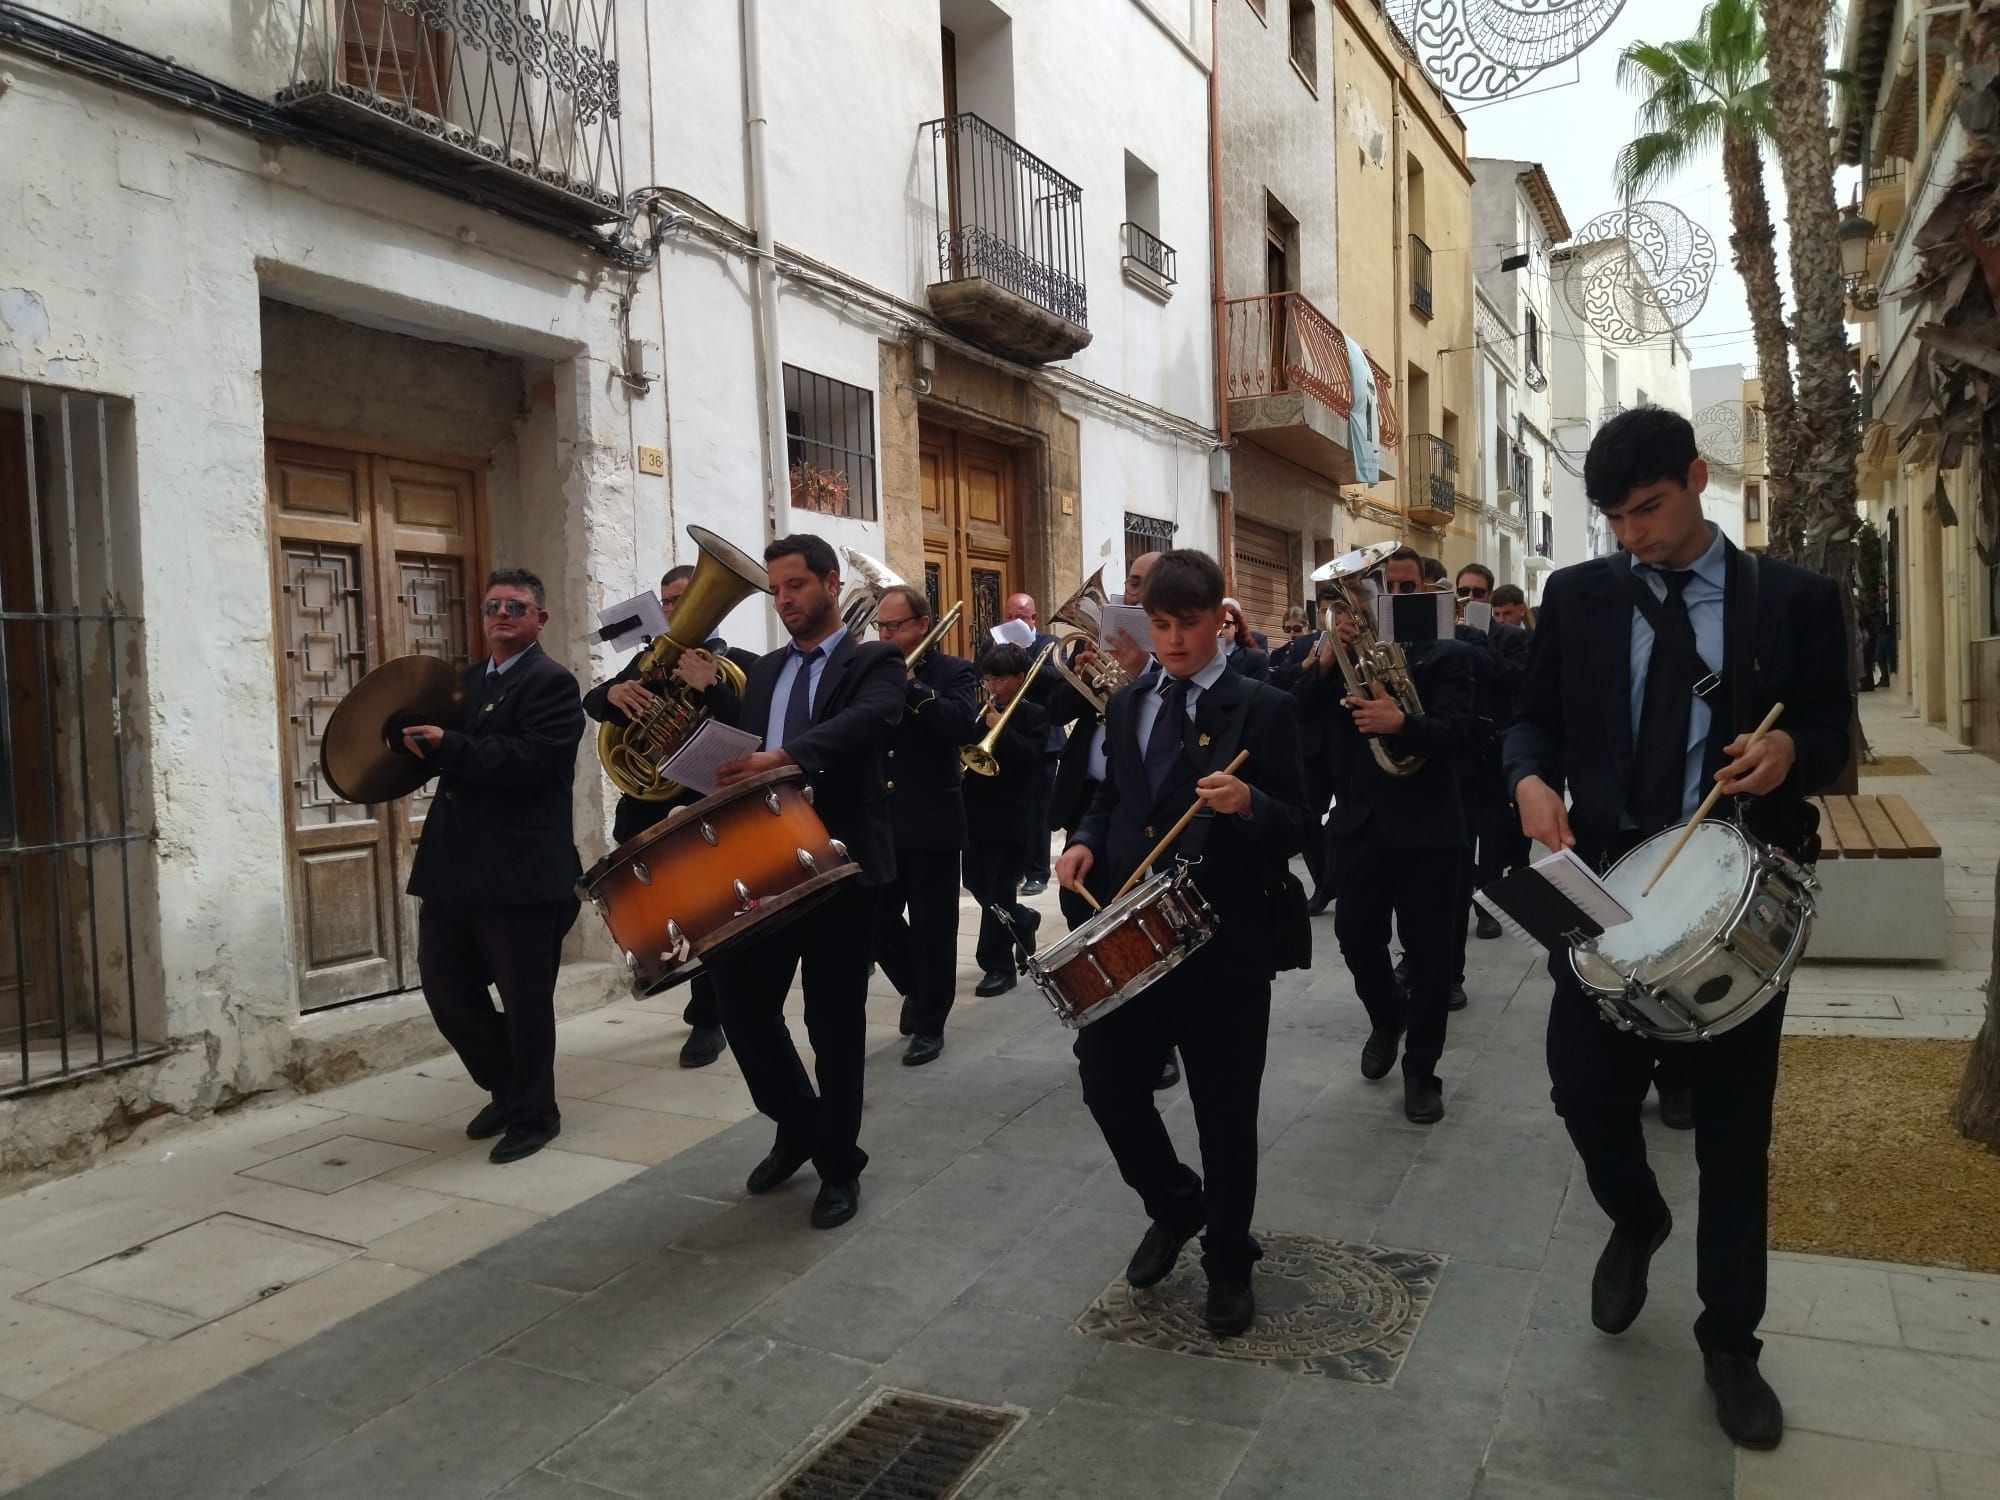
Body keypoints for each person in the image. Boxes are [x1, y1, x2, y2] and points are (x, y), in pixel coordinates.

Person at [1504, 406, 1851, 1451]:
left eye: (1647, 508)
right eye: (1612, 517)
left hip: (1733, 891)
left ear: (1696, 479)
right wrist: (1525, 777)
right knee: (1579, 1088)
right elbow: (1530, 718)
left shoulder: (1789, 599)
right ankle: (1635, 1217)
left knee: (1735, 1134)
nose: (1632, 535)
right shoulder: (1574, 597)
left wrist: (1789, 758)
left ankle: (1729, 1345)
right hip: (1604, 884)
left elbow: (1831, 734)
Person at [1054, 548, 1308, 1336]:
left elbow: (1302, 819)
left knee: (1225, 1111)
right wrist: (1086, 839)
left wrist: (1248, 803)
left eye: (1187, 625)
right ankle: (1176, 1205)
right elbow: (1111, 792)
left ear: (1219, 619)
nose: (1171, 640)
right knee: (1107, 1083)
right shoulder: (1127, 702)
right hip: (1134, 930)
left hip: (1224, 942)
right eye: (1159, 625)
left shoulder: (1262, 707)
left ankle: (1230, 1260)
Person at [706, 534, 905, 1230]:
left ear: (827, 583)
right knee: (741, 1007)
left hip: (843, 869)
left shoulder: (875, 658)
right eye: (777, 589)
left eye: (795, 585)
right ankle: (800, 1123)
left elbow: (867, 723)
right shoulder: (760, 673)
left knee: (834, 1023)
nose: (784, 599)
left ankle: (838, 1164)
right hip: (765, 864)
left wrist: (782, 759)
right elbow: (737, 750)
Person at [402, 568, 586, 1165]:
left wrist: (448, 746)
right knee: (446, 989)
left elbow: (533, 759)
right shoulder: (463, 683)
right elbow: (439, 754)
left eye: (516, 606)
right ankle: (509, 1088)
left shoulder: (554, 683)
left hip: (522, 871)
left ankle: (536, 1113)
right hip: (454, 866)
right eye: (492, 606)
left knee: (525, 999)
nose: (501, 614)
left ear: (539, 619)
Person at [1297, 549, 1476, 1124]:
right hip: (1360, 824)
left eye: (1406, 586)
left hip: (1429, 826)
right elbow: (1295, 713)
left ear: (1426, 589)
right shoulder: (1340, 653)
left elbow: (1462, 733)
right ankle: (1386, 1017)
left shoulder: (1451, 654)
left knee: (1428, 956)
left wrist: (1403, 724)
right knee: (1354, 937)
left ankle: (1422, 1070)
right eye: (1385, 588)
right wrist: (1327, 656)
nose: (1395, 596)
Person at [582, 564, 751, 1068]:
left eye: (686, 599)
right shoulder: (647, 664)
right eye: (669, 602)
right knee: (664, 911)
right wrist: (610, 694)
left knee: (711, 912)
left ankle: (708, 1017)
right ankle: (675, 980)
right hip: (648, 806)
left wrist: (711, 688)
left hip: (708, 810)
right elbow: (594, 703)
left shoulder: (740, 663)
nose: (676, 609)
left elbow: (752, 727)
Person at [1045, 549, 1181, 1092]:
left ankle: (1160, 1038)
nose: (1134, 590)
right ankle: (1101, 1017)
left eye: (1147, 582)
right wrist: (1082, 677)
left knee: (1141, 924)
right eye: (1131, 581)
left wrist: (1135, 677)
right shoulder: (1100, 644)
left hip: (1143, 810)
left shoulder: (1173, 651)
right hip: (1090, 803)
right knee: (1081, 910)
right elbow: (1053, 715)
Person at [869, 584, 979, 1066]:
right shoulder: (869, 671)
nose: (885, 634)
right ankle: (918, 988)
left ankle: (930, 1024)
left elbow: (963, 724)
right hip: (880, 819)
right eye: (881, 626)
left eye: (894, 625)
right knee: (874, 920)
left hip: (932, 820)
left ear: (922, 625)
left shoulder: (955, 671)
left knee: (935, 928)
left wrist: (912, 686)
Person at [962, 642, 1049, 997]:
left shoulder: (1034, 714)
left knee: (998, 887)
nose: (992, 687)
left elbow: (1031, 759)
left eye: (999, 679)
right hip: (976, 810)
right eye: (988, 679)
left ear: (1018, 678)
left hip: (1013, 813)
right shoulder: (979, 711)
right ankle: (1023, 919)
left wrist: (1003, 728)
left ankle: (997, 965)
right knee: (976, 883)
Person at [988, 591, 1062, 894]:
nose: (1015, 621)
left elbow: (1055, 676)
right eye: (1009, 616)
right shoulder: (994, 641)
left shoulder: (1049, 644)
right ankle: (1014, 866)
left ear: (1033, 618)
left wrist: (1023, 657)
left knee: (1037, 809)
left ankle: (1038, 871)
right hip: (1003, 735)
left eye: (1021, 616)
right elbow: (985, 668)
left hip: (1041, 736)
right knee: (1012, 808)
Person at [1269, 604, 1337, 911]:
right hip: (1308, 747)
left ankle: (1340, 878)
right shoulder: (1284, 654)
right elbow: (1281, 689)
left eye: (1299, 628)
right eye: (1290, 629)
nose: (1295, 633)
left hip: (1341, 742)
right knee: (1309, 820)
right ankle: (1324, 884)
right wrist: (1308, 664)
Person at [1218, 598, 1271, 681]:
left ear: (1236, 627)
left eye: (1226, 624)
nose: (1220, 629)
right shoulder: (1202, 659)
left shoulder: (1257, 659)